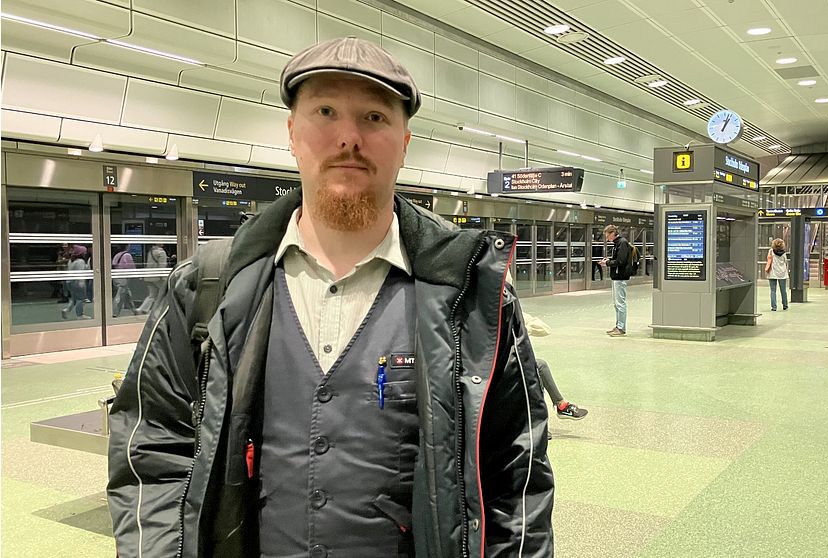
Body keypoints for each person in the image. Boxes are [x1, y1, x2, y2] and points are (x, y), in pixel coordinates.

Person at [107, 37, 554, 558]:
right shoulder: (208, 288)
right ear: (293, 133)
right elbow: (152, 451)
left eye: (374, 118)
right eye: (326, 112)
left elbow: (516, 476)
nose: (349, 138)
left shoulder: (471, 296)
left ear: (404, 141)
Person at [523, 311, 588, 419]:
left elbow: (546, 329)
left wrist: (524, 329)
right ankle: (544, 416)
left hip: (516, 362)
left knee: (538, 367)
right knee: (539, 366)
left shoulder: (514, 311)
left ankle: (558, 407)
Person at [599, 224, 632, 336]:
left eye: (607, 235)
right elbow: (617, 259)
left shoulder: (622, 243)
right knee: (616, 303)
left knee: (620, 303)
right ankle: (618, 326)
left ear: (613, 233)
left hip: (620, 276)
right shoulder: (617, 244)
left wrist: (607, 263)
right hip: (616, 276)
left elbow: (621, 261)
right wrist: (609, 260)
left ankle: (621, 328)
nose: (607, 238)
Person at [136, 242, 168, 313]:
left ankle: (142, 309)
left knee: (152, 295)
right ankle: (158, 310)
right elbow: (162, 266)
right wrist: (164, 278)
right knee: (164, 293)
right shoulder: (161, 253)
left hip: (149, 276)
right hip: (158, 277)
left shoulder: (150, 252)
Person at [60, 244, 89, 320]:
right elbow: (80, 273)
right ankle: (80, 315)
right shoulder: (80, 261)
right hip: (78, 282)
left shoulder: (71, 261)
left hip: (70, 282)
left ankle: (66, 310)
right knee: (81, 299)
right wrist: (81, 283)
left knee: (74, 299)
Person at [111, 245, 137, 317]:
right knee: (120, 294)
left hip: (116, 276)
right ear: (126, 247)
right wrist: (136, 274)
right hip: (123, 277)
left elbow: (113, 264)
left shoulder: (117, 254)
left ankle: (134, 310)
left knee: (127, 294)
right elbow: (131, 266)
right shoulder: (127, 255)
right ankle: (115, 313)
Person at [765, 238, 789, 311]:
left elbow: (768, 259)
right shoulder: (784, 253)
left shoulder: (771, 251)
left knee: (773, 291)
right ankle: (785, 305)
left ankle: (774, 307)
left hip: (772, 273)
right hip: (782, 273)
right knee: (783, 290)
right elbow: (785, 262)